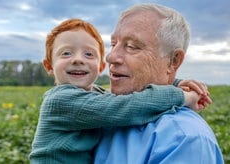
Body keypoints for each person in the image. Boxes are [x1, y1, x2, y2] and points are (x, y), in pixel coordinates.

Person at [29, 18, 210, 163]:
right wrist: (183, 96)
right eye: (66, 53)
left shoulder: (95, 94)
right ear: (49, 66)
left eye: (89, 54)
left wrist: (174, 83)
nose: (78, 60)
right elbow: (129, 105)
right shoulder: (60, 101)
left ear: (100, 66)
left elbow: (127, 95)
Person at [94, 3, 224, 163]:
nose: (111, 57)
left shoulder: (184, 139)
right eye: (113, 44)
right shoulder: (100, 110)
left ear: (173, 61)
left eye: (131, 46)